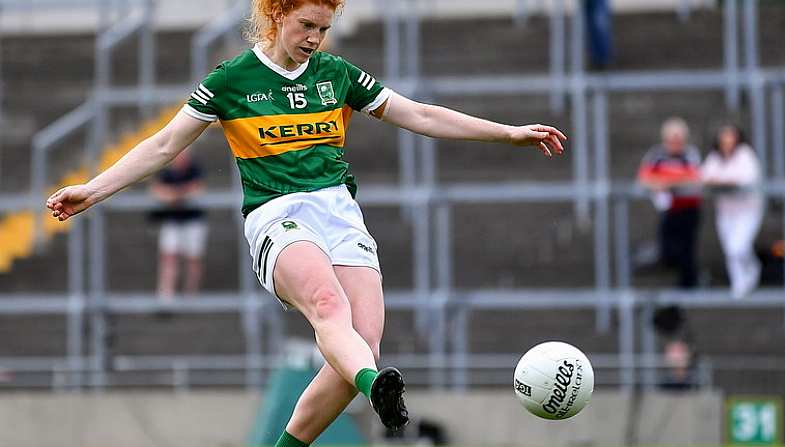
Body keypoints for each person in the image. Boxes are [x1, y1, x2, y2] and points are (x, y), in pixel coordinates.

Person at [46, 0, 566, 445]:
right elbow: (162, 145)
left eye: (323, 28)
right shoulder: (230, 81)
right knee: (329, 309)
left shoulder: (337, 75)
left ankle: (335, 406)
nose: (315, 38)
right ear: (276, 15)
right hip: (277, 214)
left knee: (363, 342)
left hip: (339, 213)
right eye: (306, 26)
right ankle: (377, 387)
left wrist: (508, 133)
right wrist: (92, 190)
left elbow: (422, 116)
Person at [637, 117, 702, 289]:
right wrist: (670, 180)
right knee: (668, 246)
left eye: (678, 140)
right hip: (670, 209)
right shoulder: (657, 154)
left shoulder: (689, 154)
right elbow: (644, 177)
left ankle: (689, 283)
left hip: (689, 208)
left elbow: (693, 177)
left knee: (687, 247)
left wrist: (666, 181)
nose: (675, 144)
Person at [701, 125, 763, 299]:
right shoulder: (714, 157)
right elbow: (705, 177)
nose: (727, 142)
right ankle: (739, 283)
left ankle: (749, 274)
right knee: (730, 248)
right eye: (724, 138)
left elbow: (745, 180)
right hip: (726, 211)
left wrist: (722, 182)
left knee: (737, 247)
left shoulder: (745, 155)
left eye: (730, 138)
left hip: (748, 211)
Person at [149, 148, 207, 301]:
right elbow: (158, 192)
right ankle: (166, 296)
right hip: (173, 221)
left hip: (193, 221)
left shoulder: (194, 169)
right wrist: (181, 194)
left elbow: (196, 190)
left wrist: (173, 196)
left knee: (193, 259)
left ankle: (191, 296)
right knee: (169, 258)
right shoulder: (166, 173)